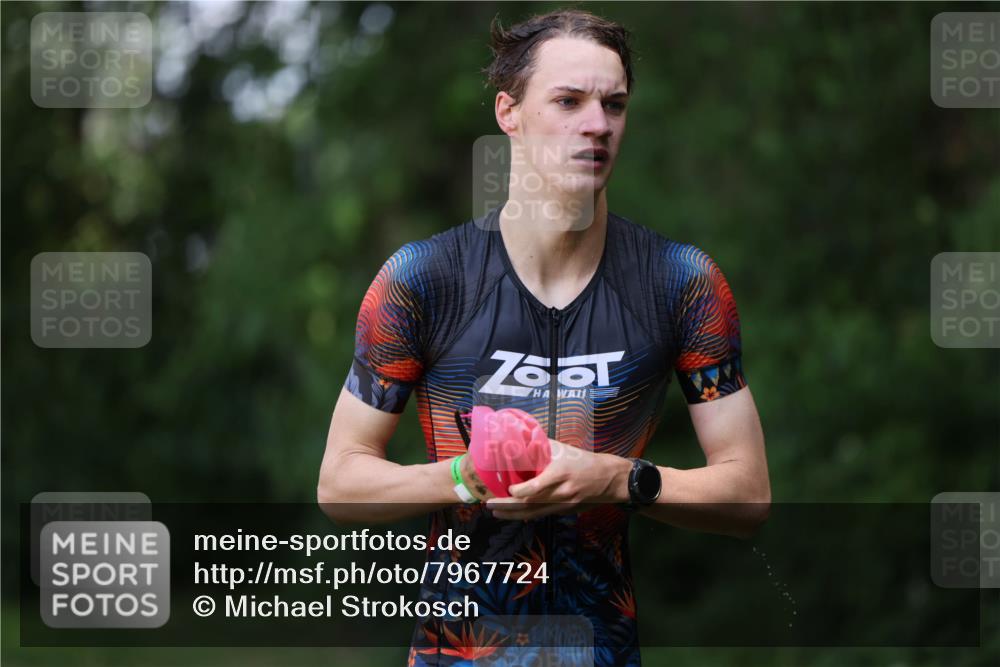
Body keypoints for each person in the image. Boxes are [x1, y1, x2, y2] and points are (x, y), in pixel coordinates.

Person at [318, 8, 770, 666]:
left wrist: (617, 479)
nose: (597, 124)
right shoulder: (424, 280)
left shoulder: (680, 283)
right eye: (568, 101)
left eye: (614, 104)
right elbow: (340, 482)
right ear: (510, 113)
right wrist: (465, 478)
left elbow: (750, 494)